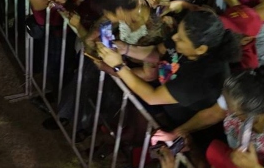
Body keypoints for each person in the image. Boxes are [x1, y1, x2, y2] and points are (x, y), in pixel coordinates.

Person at [96, 10, 241, 127]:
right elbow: (157, 52)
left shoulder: (203, 77)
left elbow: (152, 97)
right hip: (165, 97)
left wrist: (118, 66)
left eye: (181, 38)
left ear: (201, 49)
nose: (175, 37)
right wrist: (126, 49)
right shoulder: (184, 36)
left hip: (181, 121)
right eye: (178, 32)